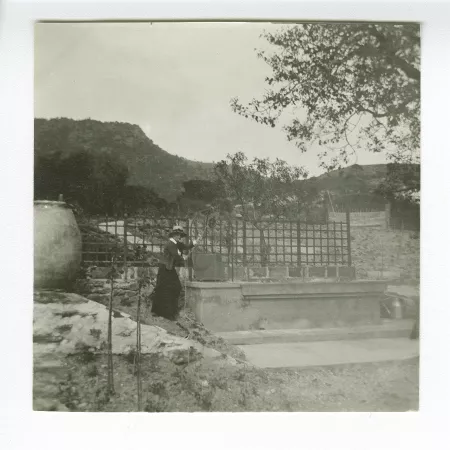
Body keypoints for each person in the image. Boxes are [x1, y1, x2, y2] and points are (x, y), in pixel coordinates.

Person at [151, 225, 196, 320]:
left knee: (174, 287)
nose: (180, 237)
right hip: (165, 269)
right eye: (179, 235)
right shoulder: (171, 244)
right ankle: (165, 313)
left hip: (169, 269)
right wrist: (184, 259)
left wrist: (194, 242)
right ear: (174, 235)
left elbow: (186, 247)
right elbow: (176, 256)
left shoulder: (176, 243)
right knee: (167, 289)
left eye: (181, 235)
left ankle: (169, 312)